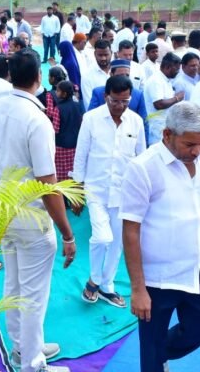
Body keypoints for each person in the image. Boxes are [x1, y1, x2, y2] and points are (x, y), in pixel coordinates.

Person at [0, 48, 77, 372]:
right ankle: (32, 363)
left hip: (4, 210)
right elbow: (47, 184)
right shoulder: (37, 119)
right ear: (38, 77)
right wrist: (67, 233)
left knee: (15, 285)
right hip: (31, 217)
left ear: (9, 76)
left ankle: (24, 348)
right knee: (32, 293)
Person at [121, 102, 200, 372]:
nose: (196, 151)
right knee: (151, 346)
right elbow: (130, 230)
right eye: (189, 144)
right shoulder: (143, 168)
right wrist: (138, 289)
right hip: (158, 279)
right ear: (167, 135)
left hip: (199, 271)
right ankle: (155, 360)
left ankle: (160, 354)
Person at [73, 75, 145, 309]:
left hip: (124, 193)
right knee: (102, 237)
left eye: (125, 101)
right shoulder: (91, 119)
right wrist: (77, 189)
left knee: (117, 243)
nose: (120, 106)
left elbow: (141, 158)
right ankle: (94, 279)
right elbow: (81, 153)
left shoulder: (136, 122)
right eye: (115, 101)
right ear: (106, 97)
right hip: (96, 189)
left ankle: (107, 286)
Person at [143, 53, 183, 145]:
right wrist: (177, 98)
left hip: (164, 125)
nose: (178, 72)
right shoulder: (156, 81)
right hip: (156, 127)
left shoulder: (165, 80)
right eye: (176, 69)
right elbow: (158, 104)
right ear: (168, 67)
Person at [53, 80, 84, 183]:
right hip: (75, 145)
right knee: (73, 173)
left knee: (61, 176)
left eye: (58, 91)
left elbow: (55, 129)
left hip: (61, 147)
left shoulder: (58, 109)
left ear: (64, 93)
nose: (56, 93)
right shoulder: (78, 106)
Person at [81, 39, 112, 108]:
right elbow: (89, 104)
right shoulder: (87, 76)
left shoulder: (118, 71)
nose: (103, 58)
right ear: (95, 54)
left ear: (111, 53)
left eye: (106, 55)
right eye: (100, 55)